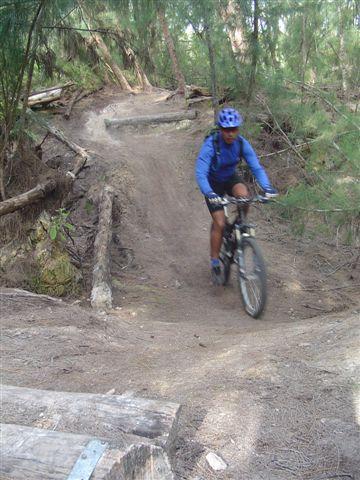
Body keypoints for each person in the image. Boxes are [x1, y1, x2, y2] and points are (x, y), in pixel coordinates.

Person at [195, 107, 278, 285]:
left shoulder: (241, 143)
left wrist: (267, 187)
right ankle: (215, 262)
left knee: (244, 196)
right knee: (219, 222)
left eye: (234, 129)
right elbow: (201, 173)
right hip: (213, 183)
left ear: (238, 129)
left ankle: (240, 222)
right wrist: (209, 193)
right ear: (220, 129)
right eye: (226, 129)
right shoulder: (211, 144)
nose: (230, 133)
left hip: (230, 177)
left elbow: (256, 167)